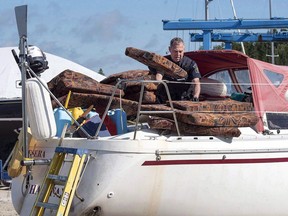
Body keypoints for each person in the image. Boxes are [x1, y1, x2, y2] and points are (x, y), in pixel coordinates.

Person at [149, 37, 201, 103]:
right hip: (165, 99)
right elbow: (158, 77)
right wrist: (159, 76)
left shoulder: (190, 64)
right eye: (175, 51)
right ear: (170, 49)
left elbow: (196, 82)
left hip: (184, 99)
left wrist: (196, 96)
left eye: (180, 51)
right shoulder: (162, 61)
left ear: (184, 50)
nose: (178, 54)